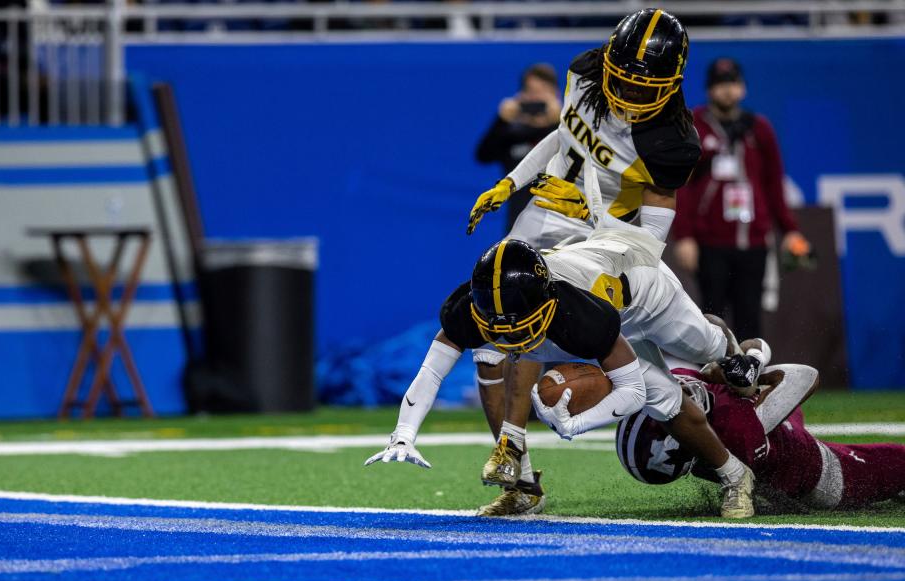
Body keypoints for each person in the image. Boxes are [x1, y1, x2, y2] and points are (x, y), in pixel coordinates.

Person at [458, 8, 711, 516]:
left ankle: (725, 360)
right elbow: (564, 134)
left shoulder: (671, 142)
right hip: (543, 212)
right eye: (625, 80)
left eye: (648, 86)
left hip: (601, 237)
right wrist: (512, 182)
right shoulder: (585, 70)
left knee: (660, 349)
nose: (632, 94)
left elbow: (650, 238)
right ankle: (520, 481)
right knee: (489, 343)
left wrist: (604, 230)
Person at [366, 227, 762, 519]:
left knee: (716, 356)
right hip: (589, 288)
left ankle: (730, 347)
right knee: (665, 399)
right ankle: (736, 476)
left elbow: (632, 390)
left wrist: (577, 424)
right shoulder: (469, 309)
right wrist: (404, 433)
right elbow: (431, 371)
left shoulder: (580, 314)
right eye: (499, 327)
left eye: (519, 326)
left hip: (644, 293)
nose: (510, 335)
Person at [618, 354, 905, 511]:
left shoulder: (692, 400)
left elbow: (715, 325)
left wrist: (746, 356)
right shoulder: (735, 434)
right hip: (817, 471)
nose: (676, 394)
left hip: (778, 432)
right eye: (671, 418)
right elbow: (805, 376)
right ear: (686, 439)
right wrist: (750, 372)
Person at [672, 58, 810, 341]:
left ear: (743, 88)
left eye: (733, 83)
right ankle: (712, 383)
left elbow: (774, 184)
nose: (727, 91)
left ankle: (751, 382)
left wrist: (789, 230)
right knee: (712, 321)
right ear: (710, 89)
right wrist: (684, 236)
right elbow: (681, 185)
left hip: (753, 241)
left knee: (749, 318)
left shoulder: (758, 129)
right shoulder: (695, 125)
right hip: (710, 241)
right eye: (720, 84)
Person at [475, 63, 562, 233]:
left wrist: (558, 120)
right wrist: (501, 120)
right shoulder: (513, 135)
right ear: (522, 96)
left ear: (556, 95)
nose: (537, 98)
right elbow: (483, 155)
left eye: (543, 91)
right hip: (519, 230)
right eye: (531, 92)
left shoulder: (566, 132)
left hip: (562, 230)